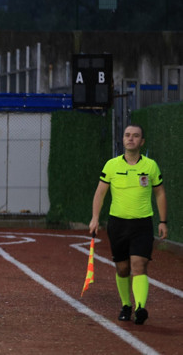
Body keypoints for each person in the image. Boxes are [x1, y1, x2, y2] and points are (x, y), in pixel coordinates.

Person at [89, 124, 167, 325]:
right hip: (118, 225)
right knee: (123, 269)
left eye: (135, 136)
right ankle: (126, 305)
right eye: (127, 135)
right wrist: (95, 218)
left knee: (139, 265)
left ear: (142, 142)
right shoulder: (111, 165)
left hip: (142, 224)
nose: (130, 139)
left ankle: (140, 307)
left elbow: (159, 193)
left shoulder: (151, 166)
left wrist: (163, 221)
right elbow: (100, 192)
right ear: (123, 140)